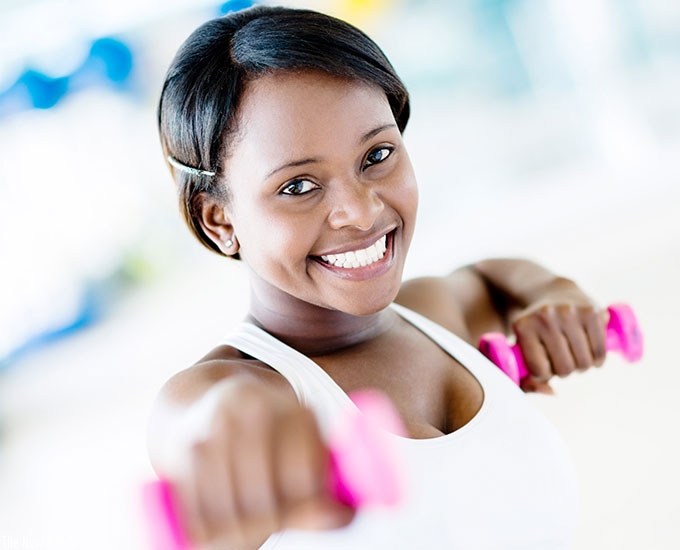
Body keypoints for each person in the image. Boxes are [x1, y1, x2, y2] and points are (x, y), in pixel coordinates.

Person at [149, 5, 609, 549]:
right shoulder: (228, 391)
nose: (362, 212)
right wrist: (235, 430)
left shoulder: (436, 314)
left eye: (378, 154)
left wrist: (553, 295)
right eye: (298, 186)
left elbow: (492, 278)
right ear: (219, 219)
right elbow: (202, 422)